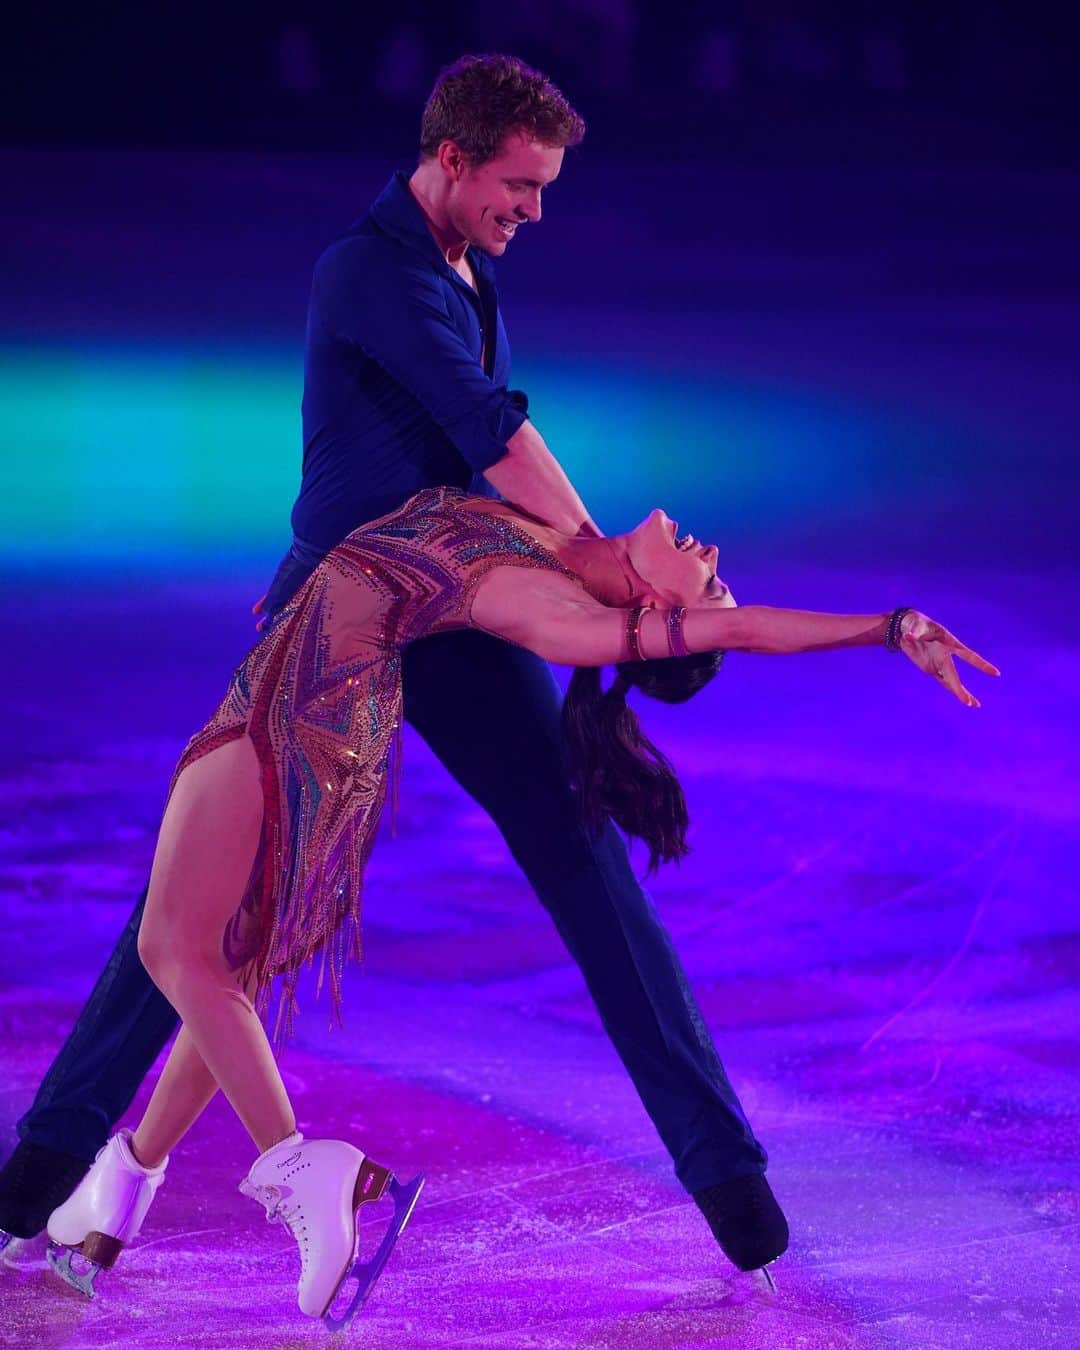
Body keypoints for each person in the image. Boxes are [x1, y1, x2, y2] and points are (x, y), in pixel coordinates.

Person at [0, 52, 814, 1298]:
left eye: (544, 188)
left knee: (586, 864)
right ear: (450, 157)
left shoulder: (466, 275)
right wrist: (617, 569)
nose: (533, 210)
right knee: (194, 918)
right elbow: (497, 437)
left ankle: (735, 1191)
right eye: (519, 184)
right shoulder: (366, 271)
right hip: (332, 636)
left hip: (455, 611)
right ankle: (39, 1180)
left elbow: (480, 482)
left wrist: (609, 579)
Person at [39, 485, 999, 1326]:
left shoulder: (565, 617)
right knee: (233, 962)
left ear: (663, 610)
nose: (714, 562)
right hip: (316, 694)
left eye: (707, 584)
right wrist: (307, 574)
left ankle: (299, 1171)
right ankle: (117, 1194)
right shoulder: (562, 534)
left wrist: (889, 624)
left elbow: (737, 629)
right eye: (716, 574)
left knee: (176, 951)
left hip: (301, 715)